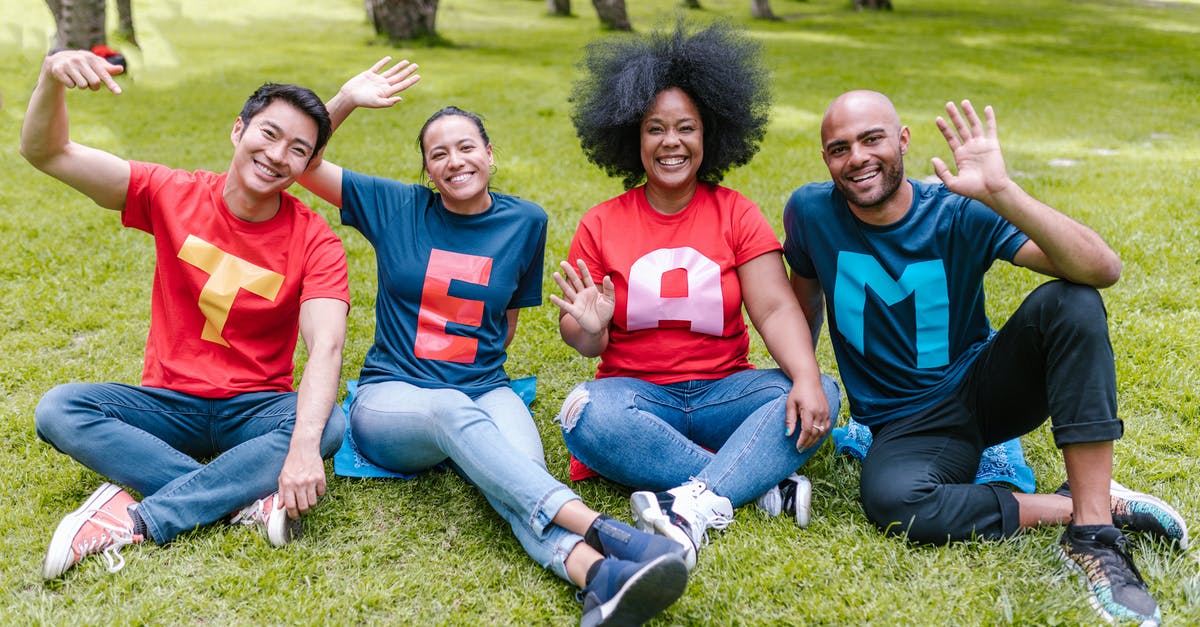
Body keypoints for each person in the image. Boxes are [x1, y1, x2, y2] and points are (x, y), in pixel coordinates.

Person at [295, 58, 688, 626]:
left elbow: (505, 317)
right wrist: (346, 99)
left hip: (484, 388)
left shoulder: (526, 221)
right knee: (453, 413)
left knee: (522, 474)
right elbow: (301, 164)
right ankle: (612, 534)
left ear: (489, 154)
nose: (455, 161)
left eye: (466, 147)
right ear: (428, 171)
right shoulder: (396, 206)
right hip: (390, 402)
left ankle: (599, 576)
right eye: (439, 154)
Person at [783, 90, 1188, 625]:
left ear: (902, 140)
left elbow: (1102, 269)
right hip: (905, 426)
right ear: (826, 160)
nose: (856, 156)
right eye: (839, 148)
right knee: (893, 502)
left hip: (984, 390)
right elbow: (801, 304)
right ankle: (1078, 502)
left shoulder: (959, 210)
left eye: (872, 138)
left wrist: (1001, 190)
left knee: (1071, 300)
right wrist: (802, 378)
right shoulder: (810, 212)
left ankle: (1093, 536)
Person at [22, 50, 350, 579]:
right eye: (268, 134)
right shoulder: (170, 193)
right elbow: (48, 151)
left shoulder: (316, 240)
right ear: (237, 129)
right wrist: (50, 78)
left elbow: (327, 347)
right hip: (168, 407)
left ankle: (141, 517)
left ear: (307, 165)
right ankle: (244, 500)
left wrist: (306, 446)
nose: (276, 155)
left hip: (255, 410)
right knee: (60, 409)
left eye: (297, 149)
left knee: (327, 422)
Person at [551, 21, 842, 571]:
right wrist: (590, 327)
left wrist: (804, 378)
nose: (671, 143)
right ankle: (751, 483)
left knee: (821, 389)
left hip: (723, 396)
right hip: (636, 399)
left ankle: (692, 502)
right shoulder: (602, 223)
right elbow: (583, 341)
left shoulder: (735, 212)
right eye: (655, 129)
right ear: (632, 138)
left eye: (686, 128)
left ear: (709, 136)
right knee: (583, 415)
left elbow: (777, 307)